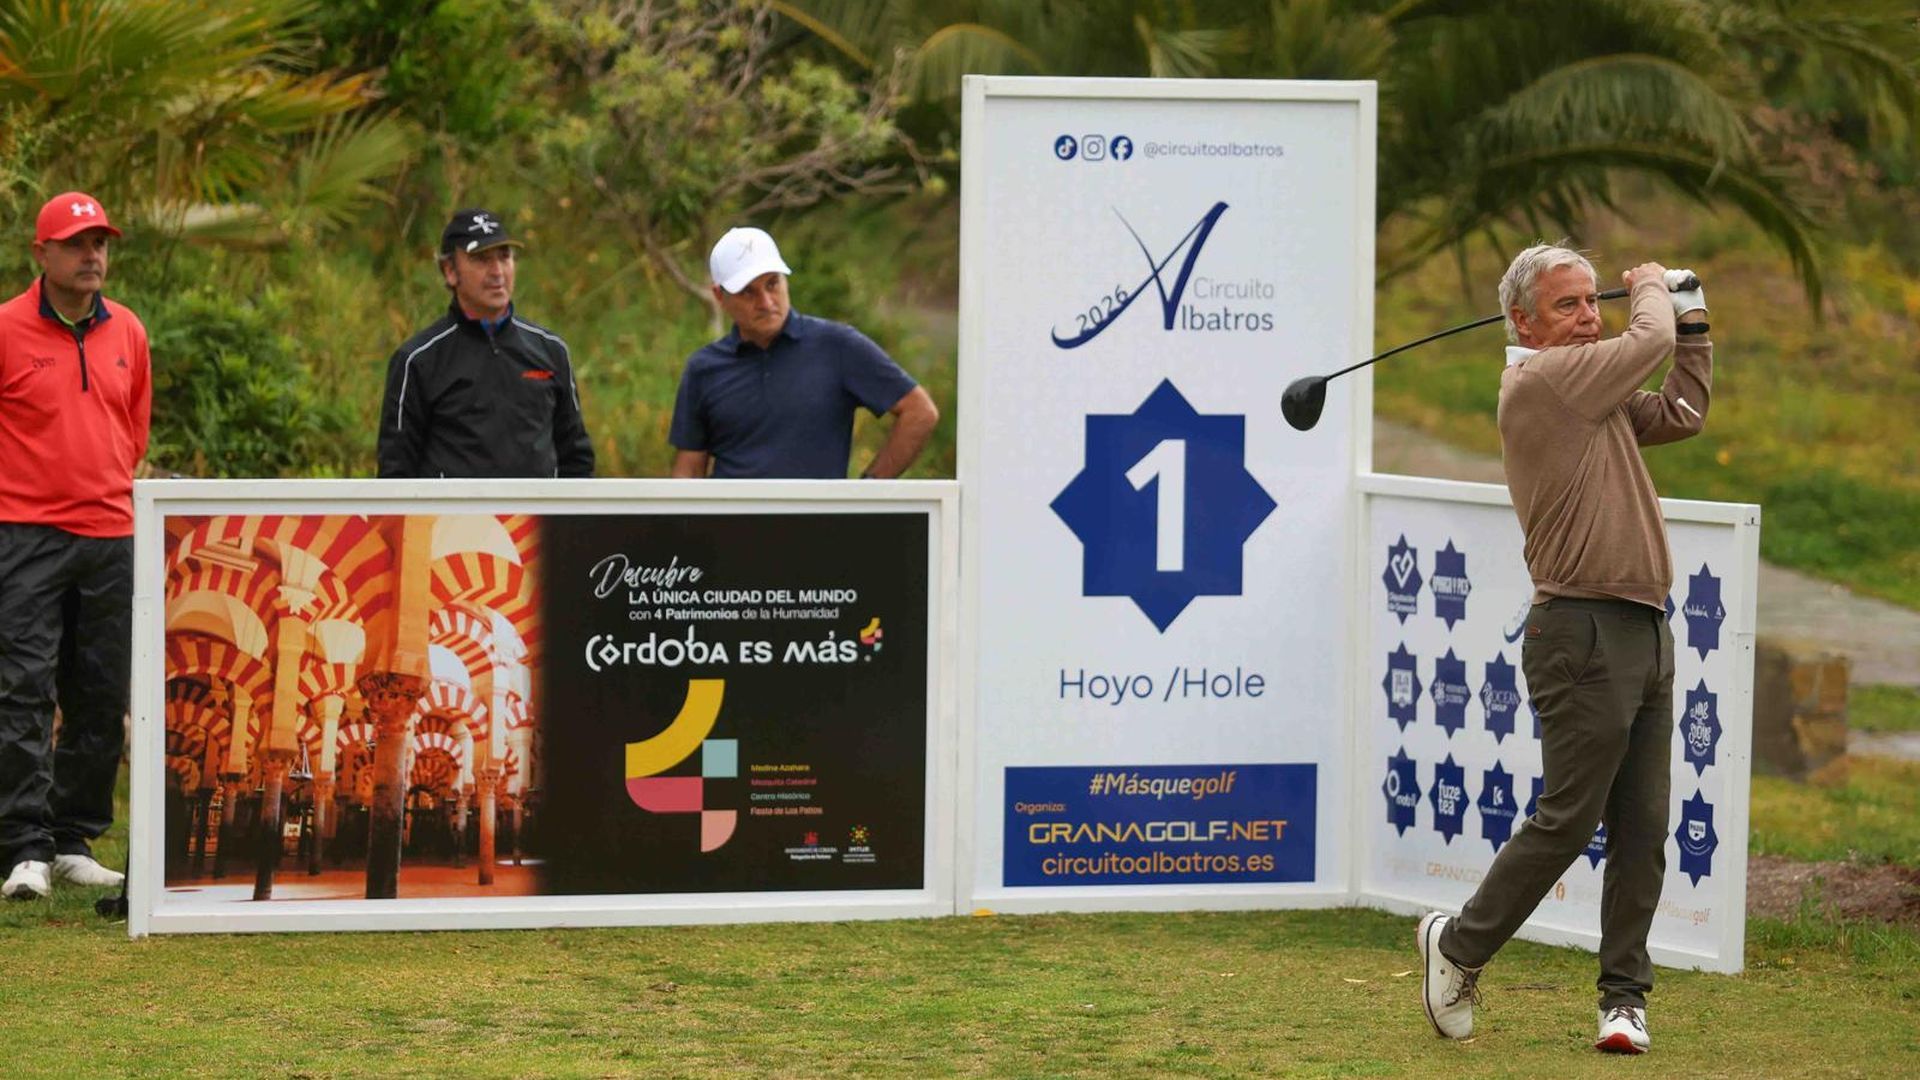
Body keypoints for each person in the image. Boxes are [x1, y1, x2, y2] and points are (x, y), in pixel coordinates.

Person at [1418, 243, 1711, 1054]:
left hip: (1644, 629)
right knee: (1569, 817)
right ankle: (1459, 946)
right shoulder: (1544, 381)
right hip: (1580, 631)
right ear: (1521, 324)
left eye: (1595, 302)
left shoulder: (1594, 388)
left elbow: (1683, 411)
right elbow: (1644, 345)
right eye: (1567, 306)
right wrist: (1653, 287)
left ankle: (1624, 1000)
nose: (1589, 317)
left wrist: (1696, 327)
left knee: (1644, 825)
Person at [0, 192, 152, 899]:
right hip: (24, 533)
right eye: (78, 244)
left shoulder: (129, 332)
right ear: (44, 254)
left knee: (98, 694)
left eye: (101, 243)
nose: (94, 256)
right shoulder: (4, 329)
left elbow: (135, 431)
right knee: (22, 688)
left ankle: (73, 838)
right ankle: (23, 845)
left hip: (111, 533)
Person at [668, 226, 938, 479]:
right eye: (748, 292)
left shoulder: (838, 346)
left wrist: (866, 494)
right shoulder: (704, 368)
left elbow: (919, 412)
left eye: (773, 284)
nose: (766, 302)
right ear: (719, 297)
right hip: (729, 526)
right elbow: (688, 471)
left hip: (819, 528)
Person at [378, 208, 594, 478]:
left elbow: (576, 458)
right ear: (450, 271)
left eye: (504, 257)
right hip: (452, 520)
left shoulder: (551, 350)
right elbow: (396, 472)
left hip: (534, 519)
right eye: (481, 259)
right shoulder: (417, 360)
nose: (497, 272)